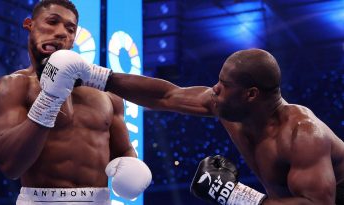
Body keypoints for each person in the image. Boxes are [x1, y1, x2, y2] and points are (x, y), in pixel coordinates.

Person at [100, 48, 344, 204]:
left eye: (224, 84)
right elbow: (166, 96)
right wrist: (100, 78)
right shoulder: (226, 106)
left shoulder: (302, 134)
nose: (214, 89)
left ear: (251, 94)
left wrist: (236, 195)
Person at [0, 0, 151, 204]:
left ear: (73, 39)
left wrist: (132, 166)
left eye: (70, 28)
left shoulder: (105, 92)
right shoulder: (13, 86)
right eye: (52, 21)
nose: (61, 32)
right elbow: (10, 166)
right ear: (29, 24)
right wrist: (48, 100)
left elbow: (124, 150)